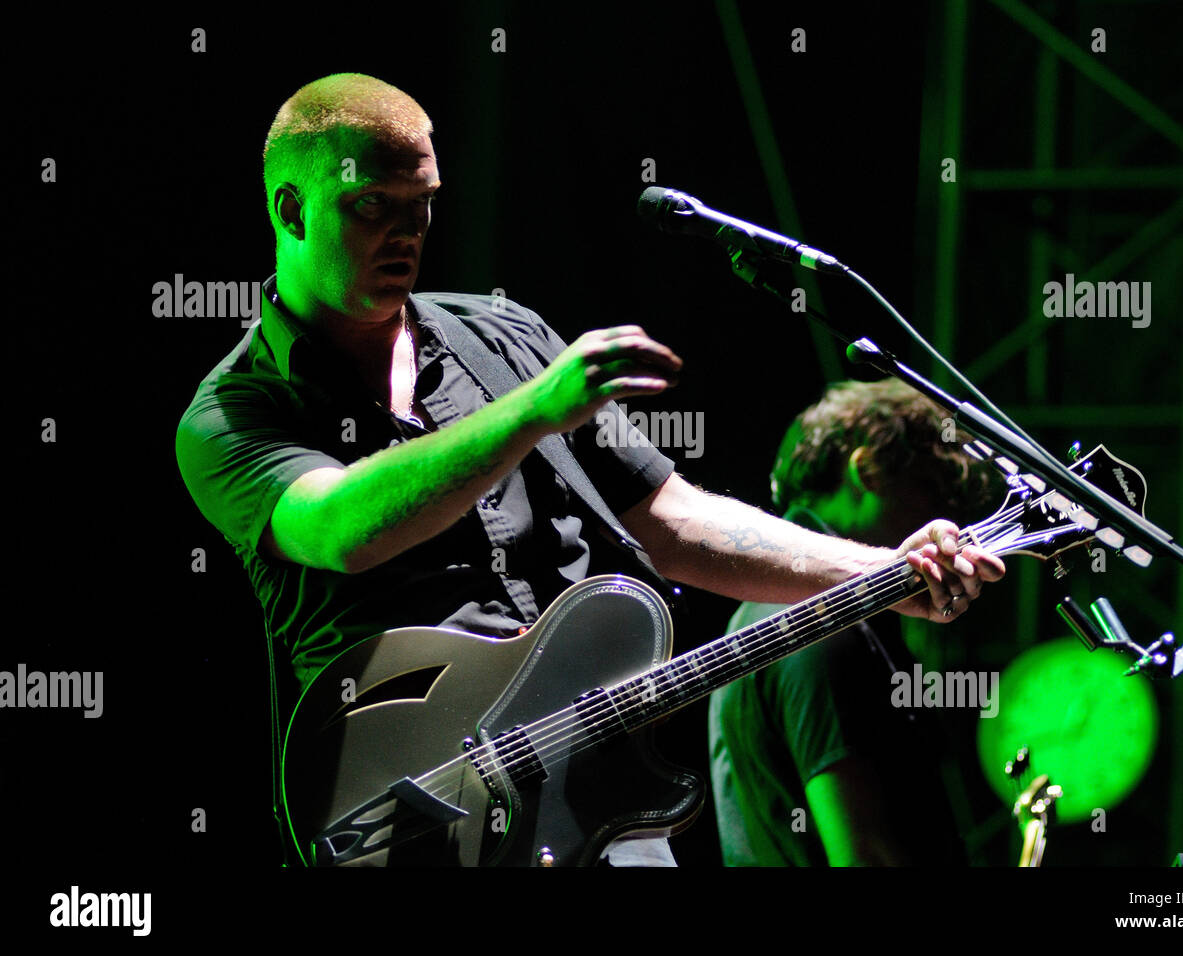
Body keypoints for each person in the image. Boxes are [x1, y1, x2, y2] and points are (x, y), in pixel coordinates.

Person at [174, 73, 1004, 866]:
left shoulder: (500, 338)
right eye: (372, 207)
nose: (407, 233)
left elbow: (670, 518)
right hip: (415, 821)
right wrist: (535, 409)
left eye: (422, 207)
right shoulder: (230, 415)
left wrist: (886, 569)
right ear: (291, 209)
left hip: (593, 799)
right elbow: (341, 528)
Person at [708, 379, 998, 866]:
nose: (948, 520)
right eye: (932, 489)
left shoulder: (764, 608)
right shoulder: (820, 622)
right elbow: (865, 853)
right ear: (867, 471)